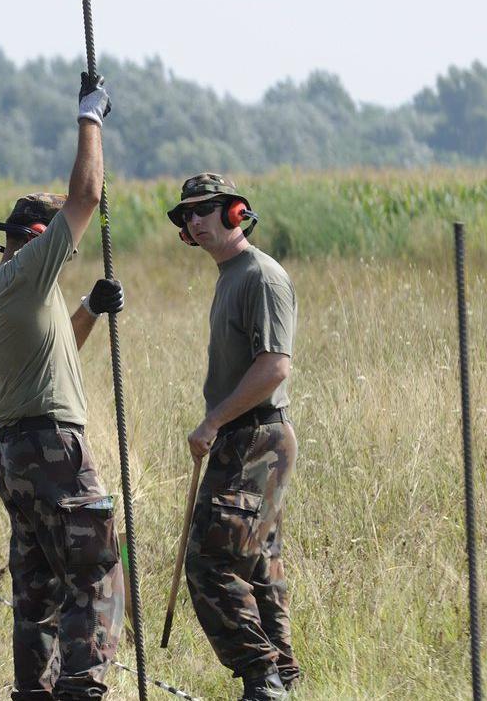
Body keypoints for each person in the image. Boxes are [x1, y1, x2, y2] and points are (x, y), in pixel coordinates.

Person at [0, 74, 126, 701]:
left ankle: (34, 693)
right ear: (37, 241)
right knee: (93, 577)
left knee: (36, 589)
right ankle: (82, 690)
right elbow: (87, 195)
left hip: (16, 453)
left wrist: (87, 307)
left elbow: (50, 362)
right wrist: (90, 116)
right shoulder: (30, 273)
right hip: (53, 452)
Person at [167, 173, 299, 701]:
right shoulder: (230, 275)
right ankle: (281, 681)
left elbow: (274, 368)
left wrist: (214, 420)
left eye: (204, 210)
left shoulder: (260, 277)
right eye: (185, 215)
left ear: (234, 212)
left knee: (209, 561)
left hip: (254, 439)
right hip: (243, 440)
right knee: (257, 563)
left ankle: (261, 676)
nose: (193, 221)